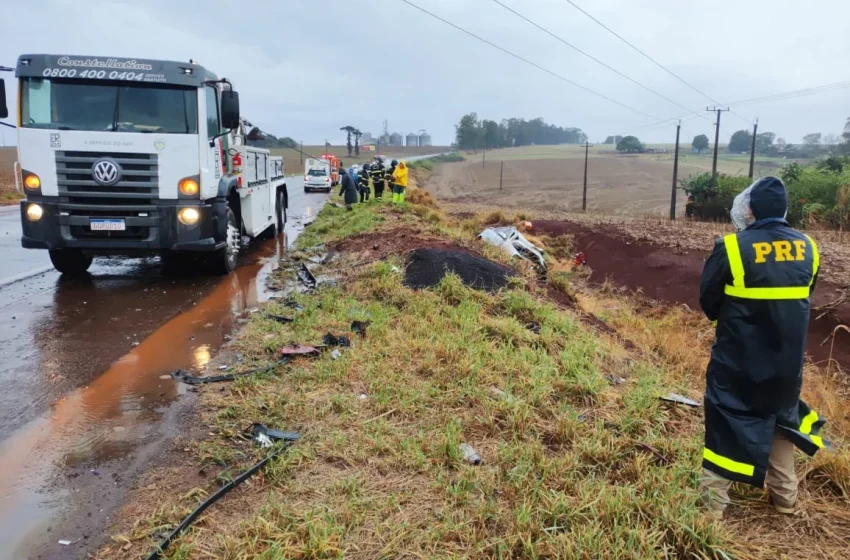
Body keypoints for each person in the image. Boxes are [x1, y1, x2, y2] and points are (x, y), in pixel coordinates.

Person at [699, 176, 827, 519]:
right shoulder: (808, 248)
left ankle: (711, 512)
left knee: (726, 428)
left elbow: (709, 302)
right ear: (784, 210)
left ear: (750, 209)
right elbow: (802, 297)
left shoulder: (731, 247)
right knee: (779, 425)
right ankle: (786, 504)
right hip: (785, 369)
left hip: (737, 365)